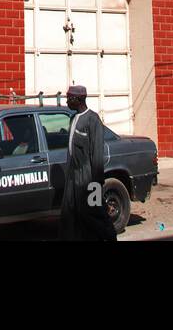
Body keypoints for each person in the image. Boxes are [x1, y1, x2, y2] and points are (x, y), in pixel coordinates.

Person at [59, 84, 117, 241]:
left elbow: (96, 154)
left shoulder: (92, 120)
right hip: (73, 177)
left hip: (88, 179)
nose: (66, 102)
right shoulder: (73, 119)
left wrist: (96, 184)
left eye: (68, 98)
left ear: (77, 99)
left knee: (94, 213)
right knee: (71, 214)